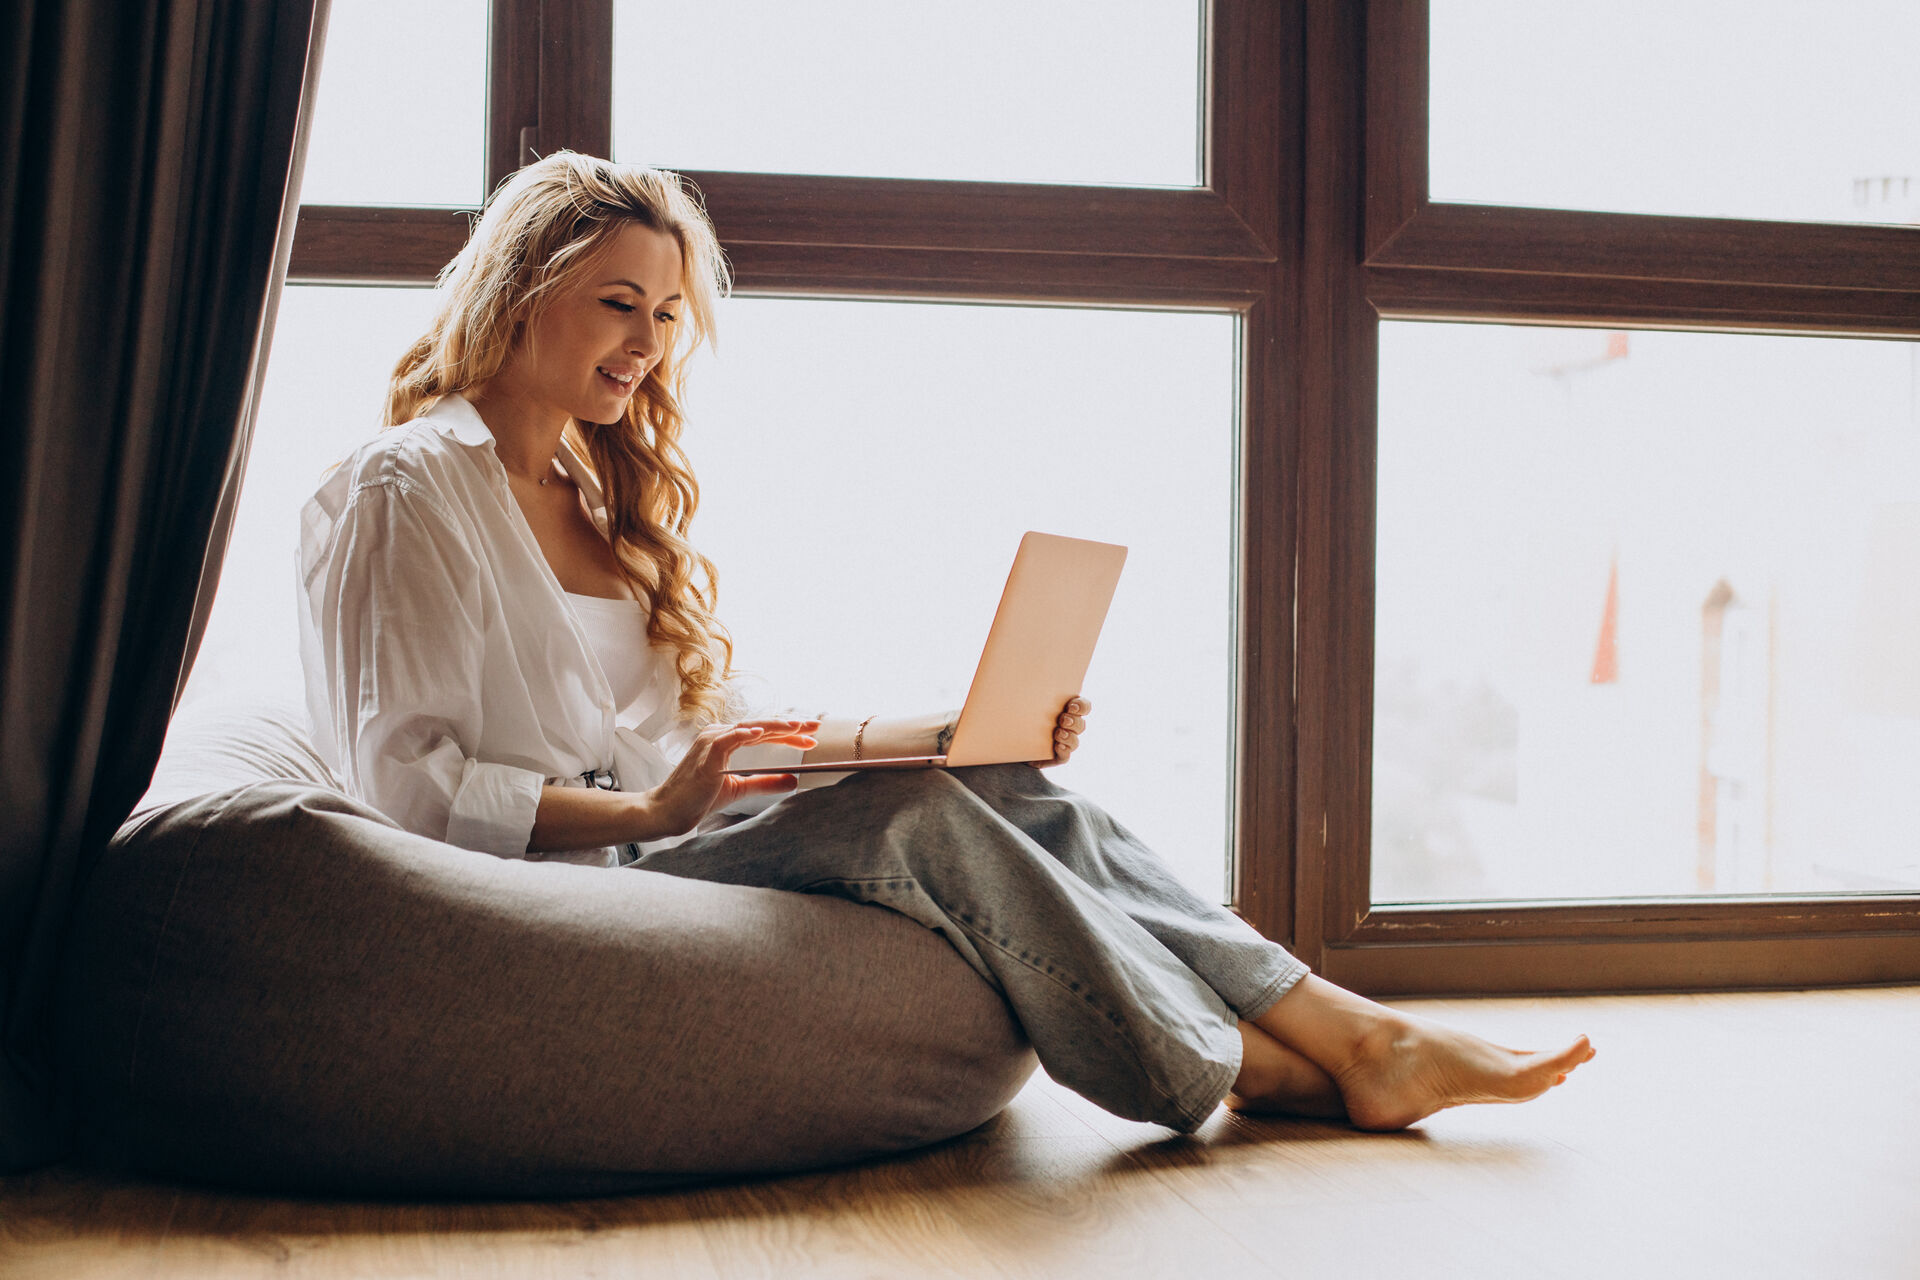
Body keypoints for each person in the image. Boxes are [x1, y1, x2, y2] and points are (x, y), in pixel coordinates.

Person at [296, 150, 1593, 1137]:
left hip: (674, 835)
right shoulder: (408, 490)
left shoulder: (599, 500)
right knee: (910, 824)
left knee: (993, 782)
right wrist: (644, 804)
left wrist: (905, 734)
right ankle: (1257, 1062)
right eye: (618, 305)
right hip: (567, 887)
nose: (648, 345)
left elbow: (706, 720)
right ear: (522, 295)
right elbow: (407, 787)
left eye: (668, 315)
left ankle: (1341, 1030)